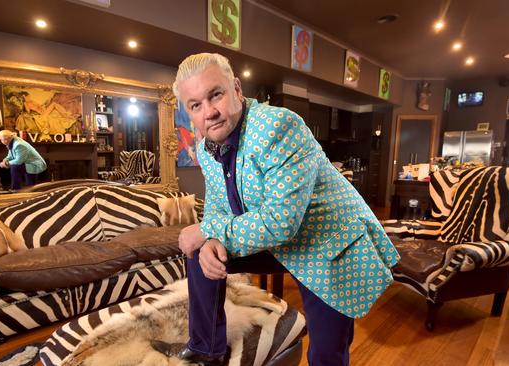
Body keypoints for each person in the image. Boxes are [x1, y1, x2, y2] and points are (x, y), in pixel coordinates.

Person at [161, 53, 400, 366]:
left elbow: (281, 222)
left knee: (327, 353)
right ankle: (207, 348)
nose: (209, 112)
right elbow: (220, 206)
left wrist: (206, 230)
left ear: (236, 88)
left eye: (215, 94)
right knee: (198, 250)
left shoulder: (278, 126)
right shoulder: (206, 148)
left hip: (326, 243)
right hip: (273, 241)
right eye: (195, 105)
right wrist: (209, 240)